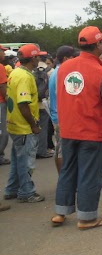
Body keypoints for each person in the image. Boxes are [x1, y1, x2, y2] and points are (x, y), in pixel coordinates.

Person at [52, 26, 102, 229]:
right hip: (91, 132)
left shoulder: (64, 68)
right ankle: (87, 217)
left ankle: (60, 212)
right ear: (98, 44)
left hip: (68, 130)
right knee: (89, 174)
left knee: (67, 171)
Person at [3, 44, 47, 203]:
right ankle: (27, 192)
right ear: (33, 58)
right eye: (38, 56)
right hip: (23, 126)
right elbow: (23, 104)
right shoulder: (25, 76)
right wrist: (34, 125)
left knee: (17, 159)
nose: (40, 59)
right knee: (26, 162)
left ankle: (12, 189)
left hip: (14, 123)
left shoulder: (15, 72)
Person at [48, 46, 78, 174]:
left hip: (57, 115)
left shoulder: (57, 71)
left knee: (60, 148)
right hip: (61, 116)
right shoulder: (62, 72)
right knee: (62, 150)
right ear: (66, 58)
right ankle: (64, 179)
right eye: (73, 57)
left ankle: (64, 178)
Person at [0, 44, 10, 165]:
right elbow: (2, 86)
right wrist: (10, 102)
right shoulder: (1, 67)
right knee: (3, 132)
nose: (4, 54)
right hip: (1, 102)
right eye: (2, 51)